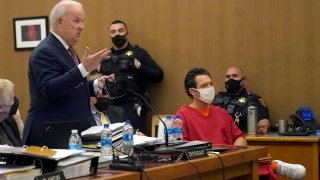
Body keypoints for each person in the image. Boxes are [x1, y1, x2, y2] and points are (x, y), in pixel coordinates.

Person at [176, 67, 306, 180]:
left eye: (211, 84)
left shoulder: (221, 113)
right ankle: (273, 166)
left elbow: (239, 137)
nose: (210, 88)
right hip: (202, 165)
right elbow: (182, 150)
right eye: (204, 86)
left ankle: (272, 166)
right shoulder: (182, 116)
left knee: (249, 162)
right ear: (192, 91)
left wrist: (237, 153)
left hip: (229, 162)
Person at [23, 0, 111, 146]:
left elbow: (69, 87)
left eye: (82, 21)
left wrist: (94, 85)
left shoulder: (65, 48)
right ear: (60, 22)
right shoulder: (45, 51)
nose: (82, 27)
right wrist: (84, 68)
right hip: (51, 134)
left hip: (68, 134)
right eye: (76, 21)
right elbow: (50, 89)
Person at [99, 20, 164, 132]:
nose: (117, 34)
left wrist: (139, 66)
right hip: (110, 107)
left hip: (133, 107)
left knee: (134, 142)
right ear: (109, 35)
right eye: (113, 31)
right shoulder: (105, 56)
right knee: (113, 142)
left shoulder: (138, 53)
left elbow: (159, 76)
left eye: (120, 30)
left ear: (127, 33)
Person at [212, 66, 271, 134]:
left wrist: (263, 125)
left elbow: (263, 121)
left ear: (244, 80)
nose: (231, 79)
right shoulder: (215, 98)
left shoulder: (253, 100)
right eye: (228, 77)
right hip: (216, 138)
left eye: (235, 76)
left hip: (243, 139)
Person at [0, 79, 23, 146]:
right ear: (1, 108)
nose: (15, 102)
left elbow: (20, 147)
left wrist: (18, 121)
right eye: (12, 99)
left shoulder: (9, 120)